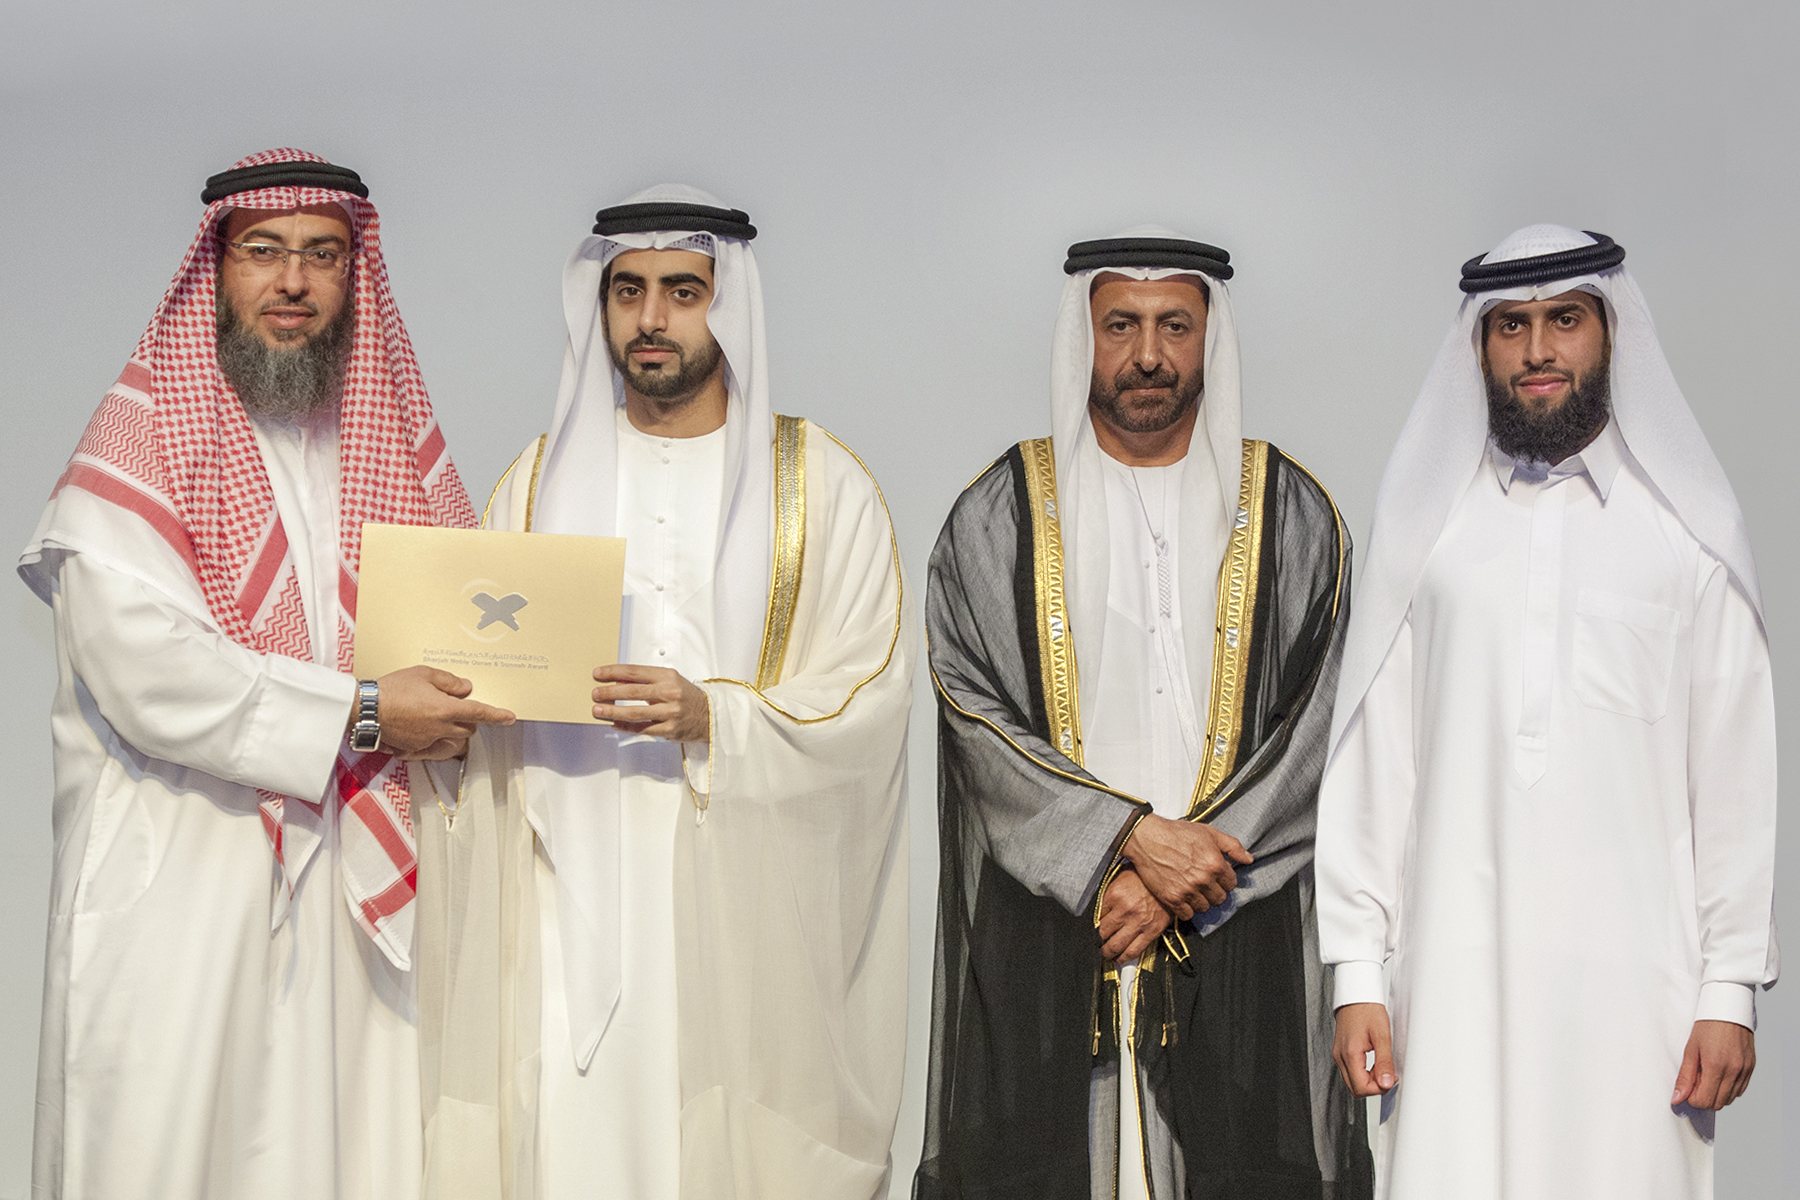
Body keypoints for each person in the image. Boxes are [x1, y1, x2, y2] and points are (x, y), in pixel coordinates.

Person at [18, 148, 513, 1199]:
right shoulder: (137, 450)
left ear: (353, 274)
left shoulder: (390, 449)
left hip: (352, 903)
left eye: (322, 255)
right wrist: (368, 711)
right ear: (217, 269)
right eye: (264, 251)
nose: (293, 281)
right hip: (187, 892)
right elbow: (153, 678)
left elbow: (467, 645)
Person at [418, 186, 914, 1200]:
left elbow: (869, 698)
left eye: (684, 292)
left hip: (744, 916)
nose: (651, 318)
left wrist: (715, 716)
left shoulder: (821, 487)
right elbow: (474, 691)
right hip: (562, 903)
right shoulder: (534, 485)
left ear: (730, 306)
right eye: (628, 291)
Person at [1316, 226, 1777, 1199]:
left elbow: (1735, 776)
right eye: (1511, 326)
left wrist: (1730, 985)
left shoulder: (1689, 533)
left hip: (1639, 996)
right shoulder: (1427, 530)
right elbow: (1375, 762)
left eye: (1565, 320)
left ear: (1611, 332)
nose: (1537, 350)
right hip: (1450, 986)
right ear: (1479, 345)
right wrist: (1356, 972)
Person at [915, 231, 1370, 1200]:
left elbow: (1319, 728)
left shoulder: (1291, 515)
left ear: (1211, 338)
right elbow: (971, 712)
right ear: (1083, 337)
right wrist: (1121, 841)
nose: (1149, 354)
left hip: (1236, 938)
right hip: (1059, 931)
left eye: (1175, 326)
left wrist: (1178, 881)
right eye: (1120, 325)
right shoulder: (999, 514)